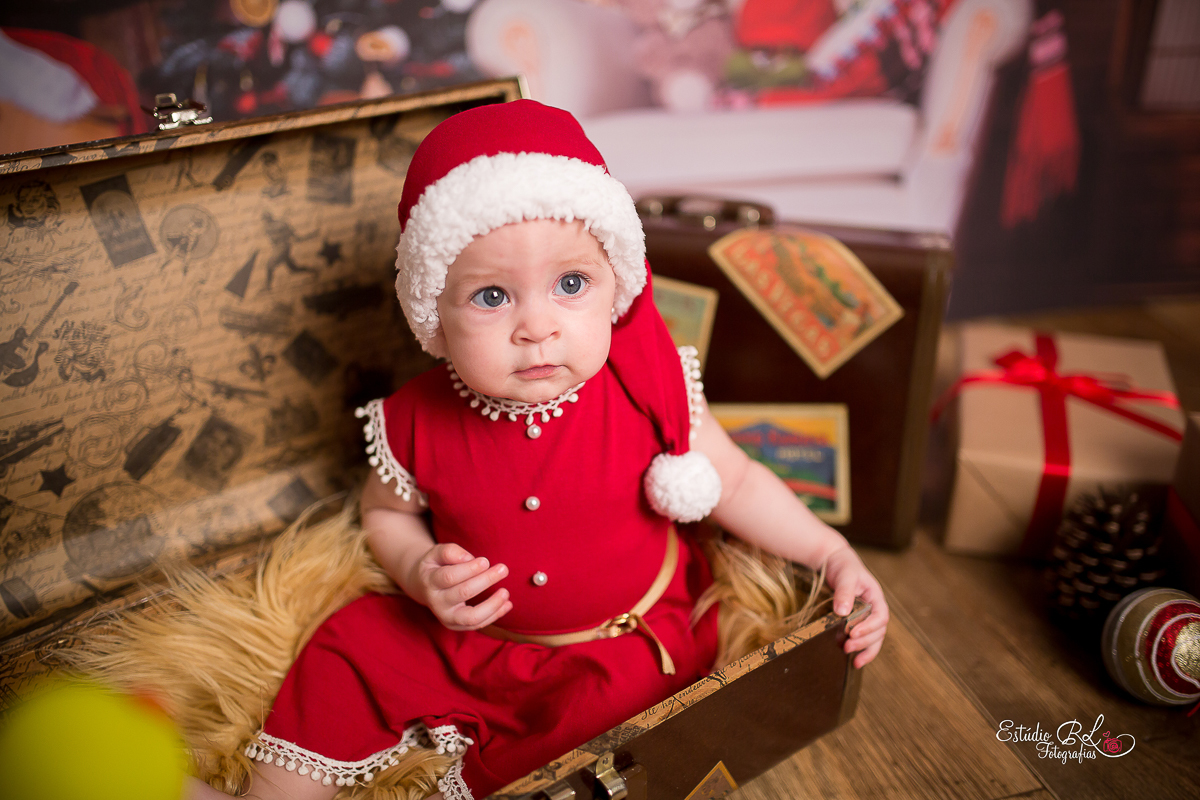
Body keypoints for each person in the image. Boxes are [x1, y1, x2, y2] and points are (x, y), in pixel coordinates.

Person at [188, 100, 888, 800]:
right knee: (345, 649)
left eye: (571, 285)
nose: (537, 328)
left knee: (600, 729)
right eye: (492, 296)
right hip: (467, 640)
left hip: (617, 642)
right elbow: (386, 517)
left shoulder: (651, 388)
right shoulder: (414, 420)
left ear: (616, 284)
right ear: (433, 311)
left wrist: (830, 553)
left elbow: (734, 484)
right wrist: (420, 570)